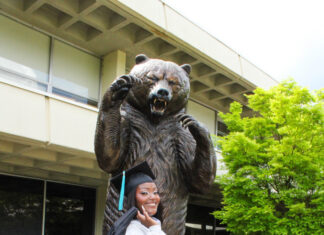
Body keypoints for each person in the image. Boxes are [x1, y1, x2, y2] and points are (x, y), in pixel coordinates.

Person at [109, 161, 166, 235]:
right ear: (133, 199)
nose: (153, 197)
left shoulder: (153, 225)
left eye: (155, 192)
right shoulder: (132, 230)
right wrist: (153, 227)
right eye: (144, 193)